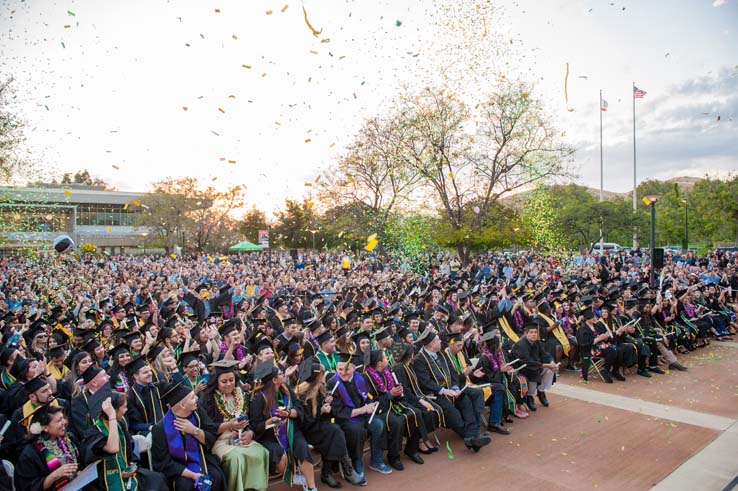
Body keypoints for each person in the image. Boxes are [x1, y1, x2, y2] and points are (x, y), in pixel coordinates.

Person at [412, 331, 491, 452]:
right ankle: (471, 438)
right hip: (434, 394)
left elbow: (453, 373)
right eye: (438, 340)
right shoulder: (419, 359)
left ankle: (472, 438)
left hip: (451, 389)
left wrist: (454, 387)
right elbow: (425, 382)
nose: (441, 341)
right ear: (432, 344)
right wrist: (444, 391)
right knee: (453, 413)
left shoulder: (441, 353)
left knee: (466, 402)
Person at [199, 360, 270, 491]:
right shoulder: (208, 400)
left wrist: (250, 433)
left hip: (241, 437)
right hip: (220, 440)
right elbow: (208, 427)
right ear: (216, 382)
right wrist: (229, 425)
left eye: (231, 380)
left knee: (261, 452)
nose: (229, 384)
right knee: (236, 458)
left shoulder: (241, 395)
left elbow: (251, 421)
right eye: (224, 381)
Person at [294, 358, 364, 488]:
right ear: (316, 377)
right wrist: (321, 411)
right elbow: (306, 420)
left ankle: (330, 472)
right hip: (308, 430)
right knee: (334, 433)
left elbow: (327, 414)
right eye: (322, 374)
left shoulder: (321, 388)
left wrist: (327, 403)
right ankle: (339, 470)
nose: (325, 376)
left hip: (321, 426)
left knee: (335, 432)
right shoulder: (302, 394)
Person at [248, 362, 318, 490]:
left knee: (302, 448)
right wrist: (269, 422)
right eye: (280, 374)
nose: (283, 375)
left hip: (291, 430)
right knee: (280, 455)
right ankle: (292, 477)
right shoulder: (258, 398)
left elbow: (298, 408)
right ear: (274, 380)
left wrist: (289, 413)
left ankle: (312, 487)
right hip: (270, 436)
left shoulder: (286, 391)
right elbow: (254, 425)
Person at [81, 393, 167, 491]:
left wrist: (132, 467)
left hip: (126, 473)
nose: (126, 410)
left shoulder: (119, 425)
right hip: (104, 481)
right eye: (124, 407)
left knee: (157, 479)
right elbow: (113, 448)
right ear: (114, 410)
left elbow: (129, 454)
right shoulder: (95, 432)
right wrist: (112, 417)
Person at [151, 382, 226, 491]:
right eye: (192, 397)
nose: (196, 398)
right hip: (178, 468)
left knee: (216, 477)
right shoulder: (160, 429)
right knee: (186, 485)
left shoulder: (197, 413)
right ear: (182, 405)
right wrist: (193, 475)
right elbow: (163, 463)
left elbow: (211, 436)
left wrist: (194, 430)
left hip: (201, 458)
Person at [364, 349, 426, 469]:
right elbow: (371, 401)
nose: (388, 358)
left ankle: (411, 449)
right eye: (385, 357)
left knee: (416, 413)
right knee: (397, 422)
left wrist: (398, 392)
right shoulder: (366, 378)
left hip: (394, 404)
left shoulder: (387, 372)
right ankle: (394, 456)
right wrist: (390, 394)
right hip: (380, 410)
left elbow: (394, 392)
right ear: (379, 362)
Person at [16, 404, 80, 491]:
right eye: (59, 420)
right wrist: (55, 475)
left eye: (63, 418)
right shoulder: (30, 454)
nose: (64, 422)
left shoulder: (69, 438)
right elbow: (29, 487)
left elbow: (81, 462)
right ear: (45, 428)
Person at [471, 331, 511, 435]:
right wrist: (501, 371)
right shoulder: (485, 357)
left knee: (504, 385)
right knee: (499, 388)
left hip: (490, 383)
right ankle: (494, 423)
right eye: (499, 344)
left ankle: (499, 418)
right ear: (494, 346)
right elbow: (488, 377)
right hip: (480, 384)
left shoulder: (496, 355)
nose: (500, 346)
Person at [511, 323, 558, 411]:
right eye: (531, 332)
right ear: (526, 334)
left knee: (550, 370)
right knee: (534, 371)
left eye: (535, 332)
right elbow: (527, 362)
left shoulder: (537, 343)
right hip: (522, 368)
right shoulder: (521, 345)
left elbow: (544, 354)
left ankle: (541, 391)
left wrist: (551, 362)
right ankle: (530, 396)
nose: (534, 334)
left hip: (535, 365)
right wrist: (546, 365)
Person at [125, 355, 165, 434]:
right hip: (147, 434)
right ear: (135, 376)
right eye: (145, 372)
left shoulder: (158, 387)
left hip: (165, 428)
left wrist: (174, 369)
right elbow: (133, 424)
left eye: (150, 371)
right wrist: (151, 427)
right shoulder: (130, 396)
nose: (150, 374)